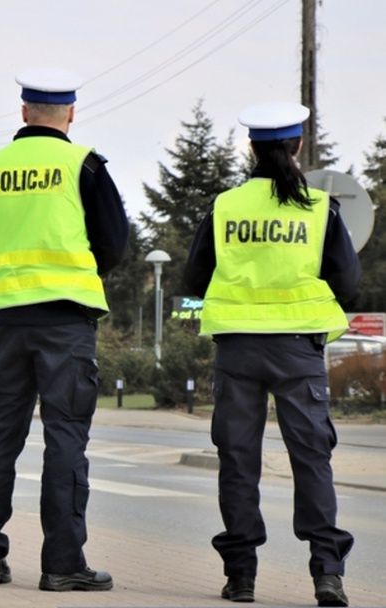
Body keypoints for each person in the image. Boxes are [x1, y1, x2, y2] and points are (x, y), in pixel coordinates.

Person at [0, 67, 128, 592]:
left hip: (6, 322)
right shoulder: (84, 165)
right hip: (66, 323)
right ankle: (62, 565)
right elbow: (115, 244)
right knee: (65, 441)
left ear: (24, 112)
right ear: (71, 114)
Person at [183, 101, 359, 607]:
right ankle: (327, 574)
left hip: (237, 350)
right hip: (299, 351)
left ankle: (241, 577)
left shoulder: (224, 208)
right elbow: (347, 285)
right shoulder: (320, 209)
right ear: (298, 146)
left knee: (238, 461)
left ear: (251, 149)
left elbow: (195, 280)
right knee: (312, 459)